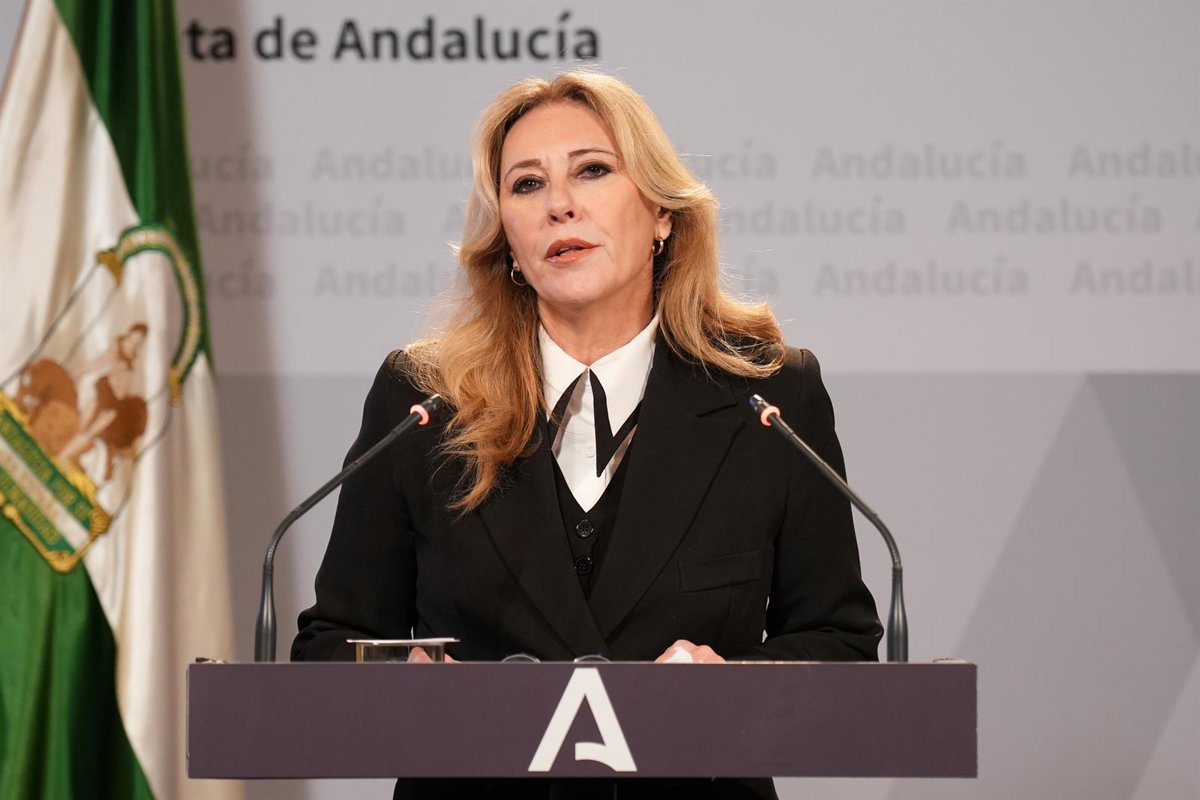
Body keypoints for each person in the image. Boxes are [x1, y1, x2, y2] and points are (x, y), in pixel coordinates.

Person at [293, 70, 882, 799]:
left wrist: (733, 688)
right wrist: (400, 681)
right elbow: (330, 643)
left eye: (592, 171)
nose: (559, 205)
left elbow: (840, 642)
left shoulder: (769, 399)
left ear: (662, 214)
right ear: (509, 242)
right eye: (527, 185)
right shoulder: (424, 402)